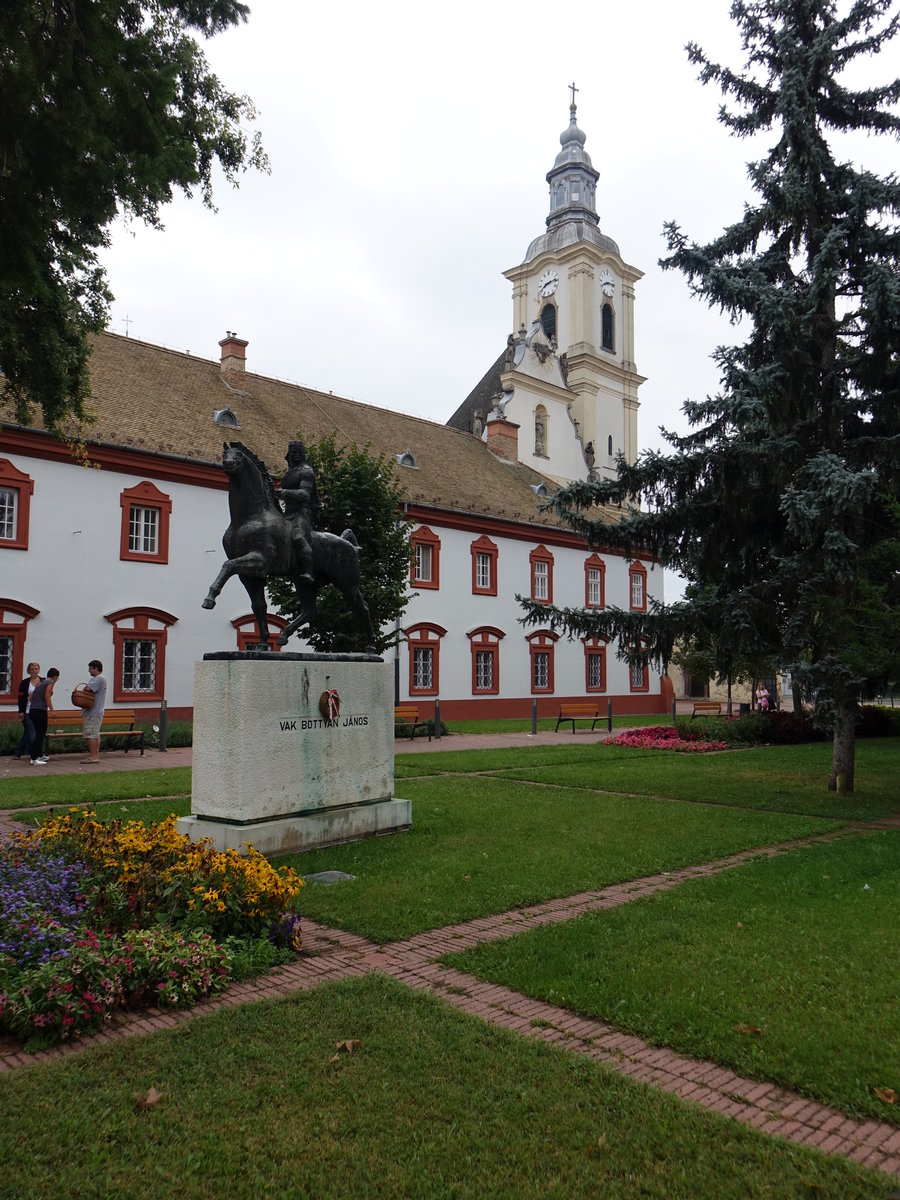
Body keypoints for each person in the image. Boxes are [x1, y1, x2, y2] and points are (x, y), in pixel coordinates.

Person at [280, 440, 321, 586]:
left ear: (303, 455)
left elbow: (304, 494)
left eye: (299, 453)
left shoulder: (306, 471)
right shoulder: (289, 473)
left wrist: (285, 492)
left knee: (298, 537)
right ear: (288, 455)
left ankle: (308, 570)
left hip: (302, 513)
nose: (296, 456)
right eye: (293, 453)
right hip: (288, 513)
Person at [28, 667, 59, 765]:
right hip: (40, 711)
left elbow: (31, 697)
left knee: (38, 734)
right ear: (55, 677)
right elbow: (47, 696)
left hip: (33, 710)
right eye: (57, 678)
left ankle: (38, 755)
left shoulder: (40, 682)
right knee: (40, 734)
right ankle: (34, 758)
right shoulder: (50, 682)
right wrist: (52, 710)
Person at [14, 662, 41, 760]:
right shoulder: (25, 683)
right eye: (32, 669)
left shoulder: (42, 681)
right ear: (29, 670)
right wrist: (21, 711)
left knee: (27, 733)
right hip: (27, 711)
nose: (34, 671)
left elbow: (48, 693)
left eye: (36, 669)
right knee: (32, 732)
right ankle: (34, 754)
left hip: (38, 710)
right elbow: (21, 698)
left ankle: (18, 752)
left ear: (38, 670)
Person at [82, 659, 107, 763]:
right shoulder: (102, 679)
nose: (89, 671)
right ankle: (95, 755)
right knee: (96, 734)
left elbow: (87, 690)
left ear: (96, 668)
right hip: (97, 711)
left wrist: (85, 688)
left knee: (90, 734)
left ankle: (93, 757)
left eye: (91, 668)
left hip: (93, 711)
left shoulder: (98, 679)